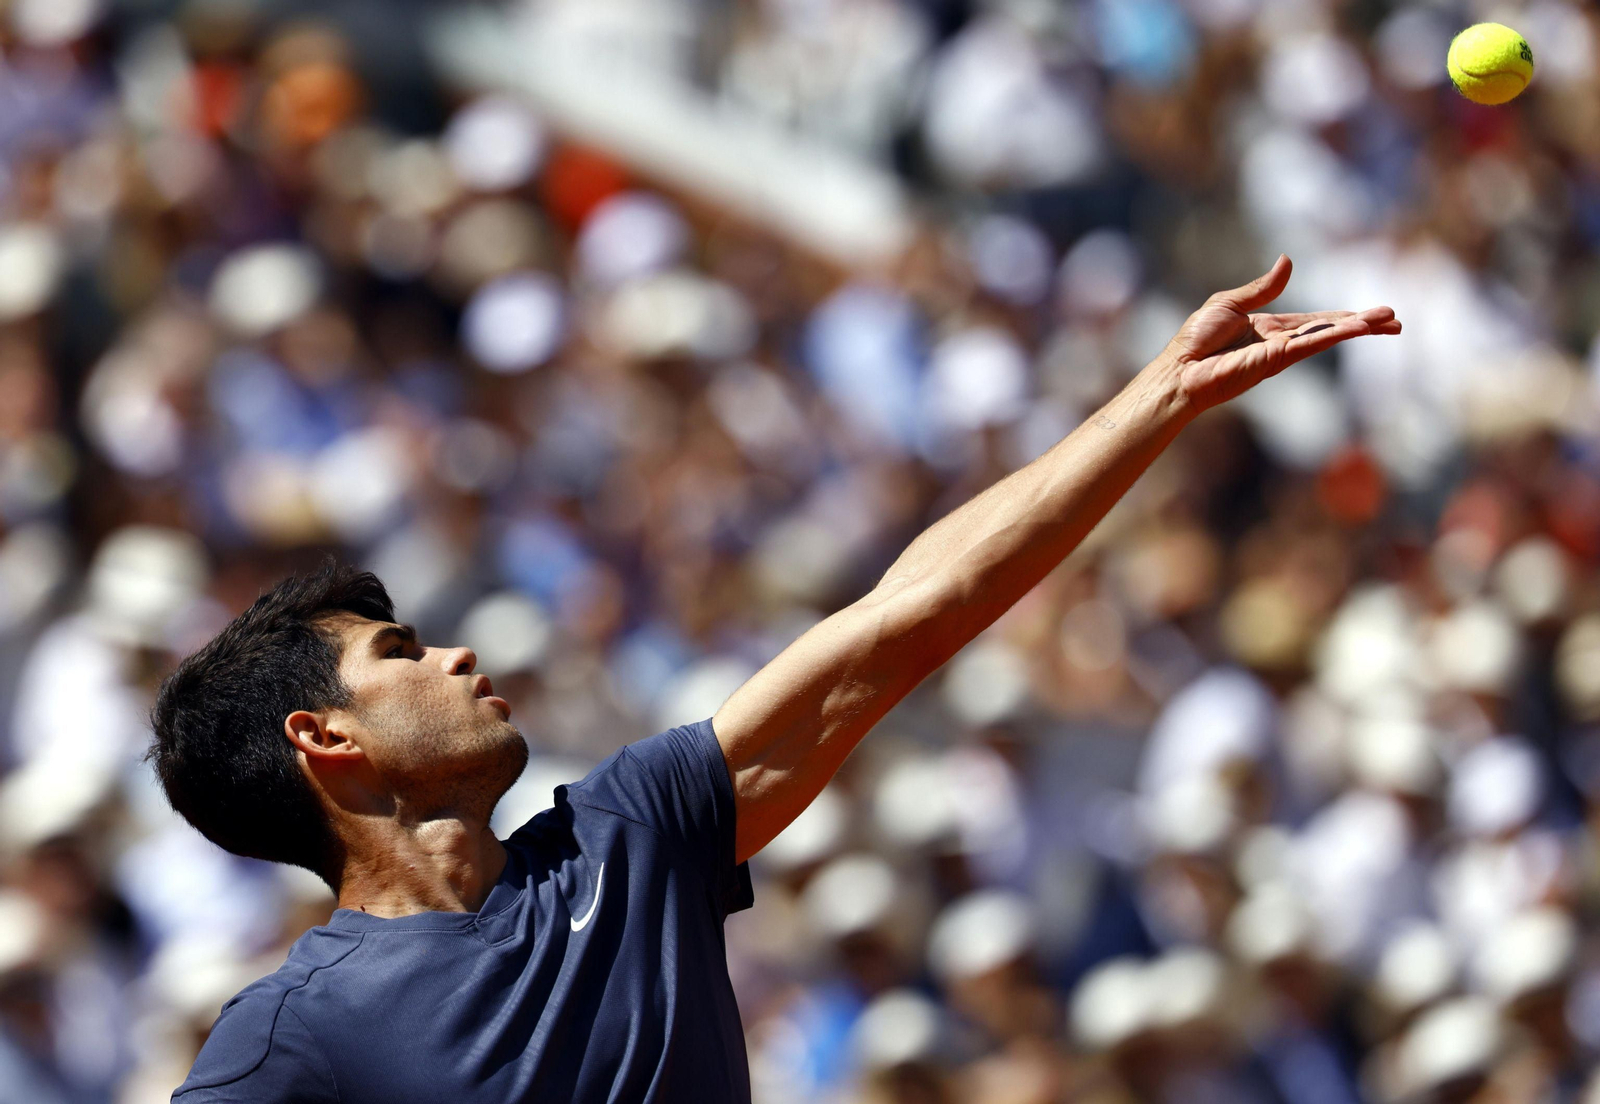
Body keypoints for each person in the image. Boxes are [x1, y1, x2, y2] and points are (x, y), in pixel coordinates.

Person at [151, 256, 1399, 1102]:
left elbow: (907, 617)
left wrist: (1153, 401)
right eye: (399, 656)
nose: (455, 653)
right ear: (325, 739)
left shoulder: (626, 835)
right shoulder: (284, 1039)